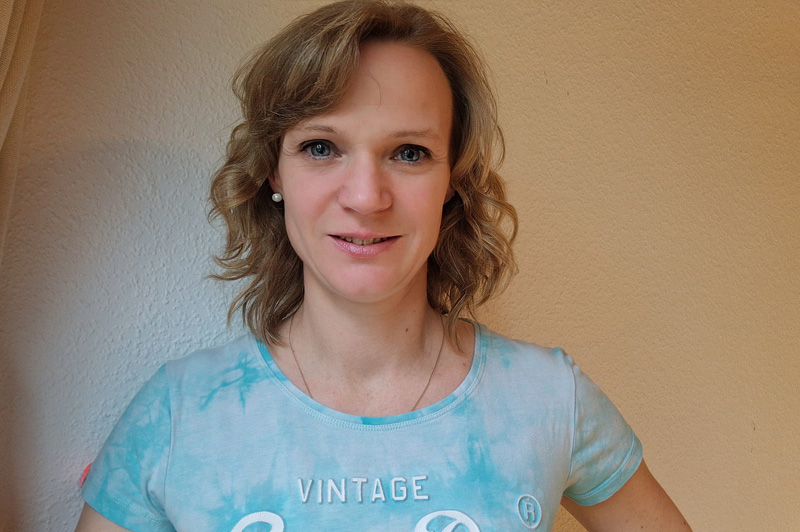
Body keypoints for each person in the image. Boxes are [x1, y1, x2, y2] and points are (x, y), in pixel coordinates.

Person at [75, 1, 692, 531]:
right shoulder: (178, 413)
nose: (367, 197)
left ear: (453, 178)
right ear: (272, 172)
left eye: (409, 152)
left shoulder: (549, 399)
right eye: (321, 147)